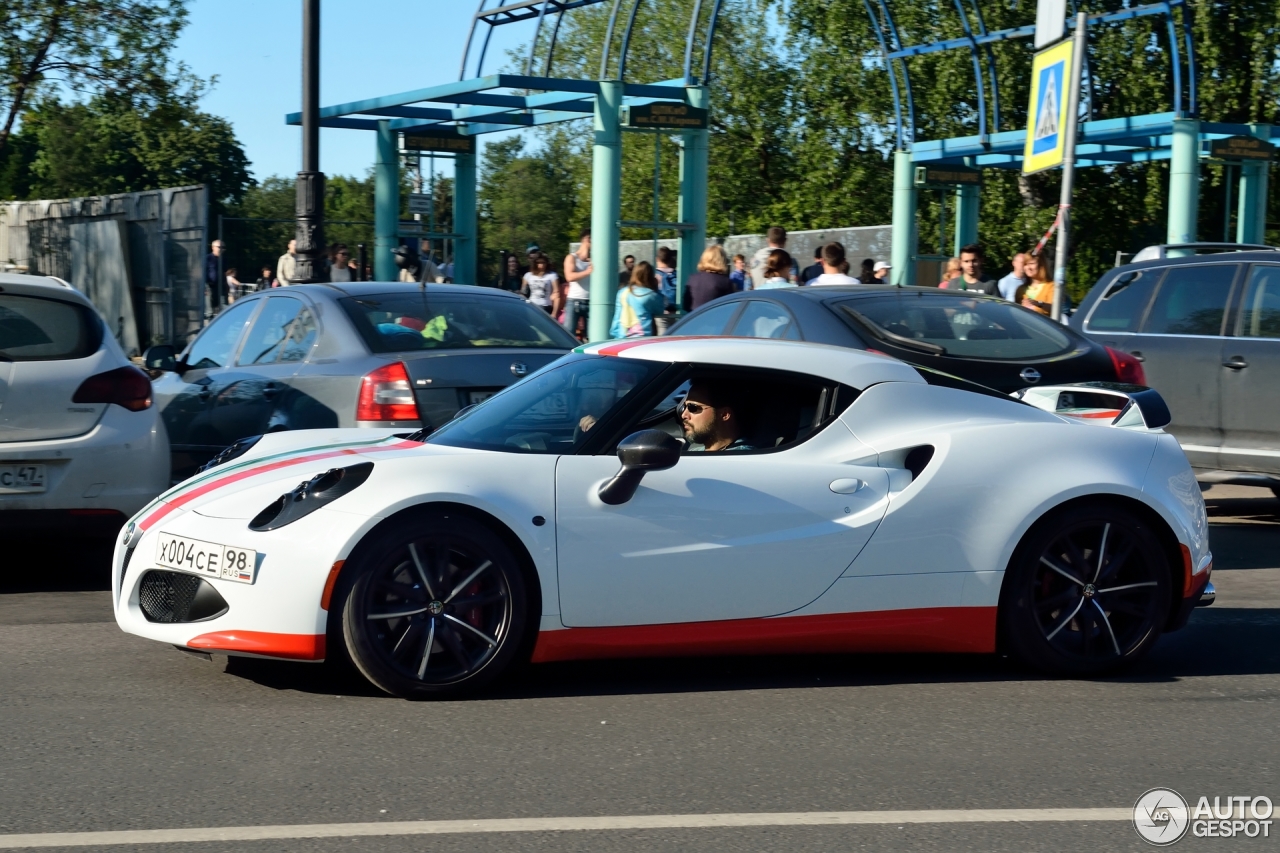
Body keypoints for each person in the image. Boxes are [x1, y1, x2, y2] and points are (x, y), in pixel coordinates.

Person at [680, 380, 754, 452]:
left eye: (693, 407)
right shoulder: (695, 452)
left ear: (724, 414)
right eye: (684, 407)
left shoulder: (742, 457)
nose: (683, 415)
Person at [610, 260, 666, 338]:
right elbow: (660, 310)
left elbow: (618, 315)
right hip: (641, 336)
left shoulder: (622, 292)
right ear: (650, 276)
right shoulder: (650, 295)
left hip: (622, 334)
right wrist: (656, 287)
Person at [682, 245, 735, 311]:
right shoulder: (725, 282)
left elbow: (685, 306)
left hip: (695, 319)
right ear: (722, 261)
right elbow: (730, 308)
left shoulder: (693, 278)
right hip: (716, 319)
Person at [563, 228, 592, 340]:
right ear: (587, 239)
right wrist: (587, 272)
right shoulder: (572, 257)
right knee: (568, 335)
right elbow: (569, 277)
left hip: (592, 302)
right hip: (574, 301)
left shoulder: (594, 259)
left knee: (592, 337)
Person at [654, 246, 678, 334]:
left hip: (661, 312)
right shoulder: (677, 274)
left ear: (657, 259)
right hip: (676, 311)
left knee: (663, 338)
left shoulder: (656, 275)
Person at [205, 239, 225, 314]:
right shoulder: (207, 258)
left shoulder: (223, 259)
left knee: (221, 309)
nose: (221, 249)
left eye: (223, 247)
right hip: (209, 286)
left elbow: (224, 272)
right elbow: (203, 272)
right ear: (213, 247)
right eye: (219, 247)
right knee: (209, 309)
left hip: (220, 287)